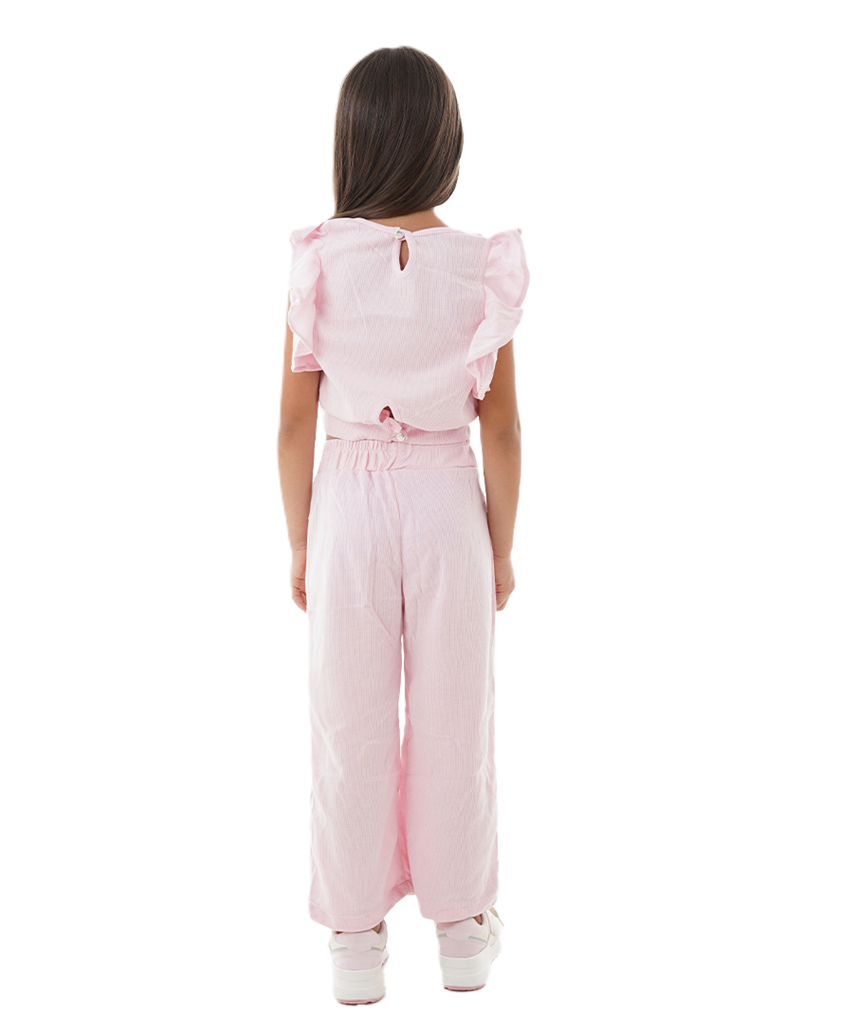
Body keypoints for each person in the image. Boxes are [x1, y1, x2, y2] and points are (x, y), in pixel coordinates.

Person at [276, 45, 529, 1002]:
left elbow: (294, 423)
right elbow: (501, 427)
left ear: (350, 145)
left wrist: (303, 542)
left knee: (348, 719)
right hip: (445, 497)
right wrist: (500, 547)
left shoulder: (317, 260)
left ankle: (354, 944)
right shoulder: (481, 269)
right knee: (456, 718)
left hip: (347, 495)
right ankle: (461, 934)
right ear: (447, 147)